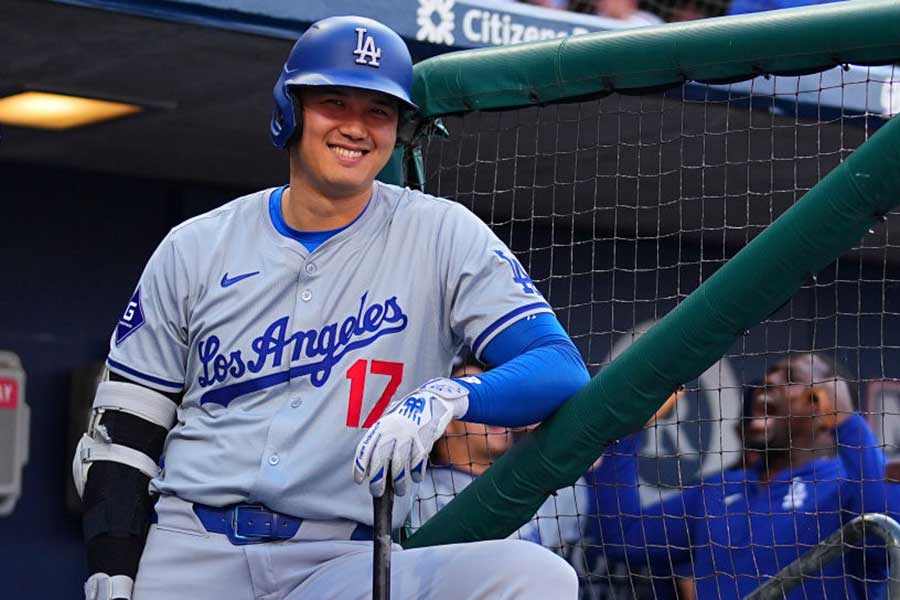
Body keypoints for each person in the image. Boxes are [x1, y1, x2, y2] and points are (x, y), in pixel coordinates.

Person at [71, 15, 591, 600]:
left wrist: (448, 398)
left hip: (340, 561)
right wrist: (112, 567)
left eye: (379, 111)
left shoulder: (443, 233)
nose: (356, 126)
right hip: (191, 550)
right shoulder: (196, 245)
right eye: (333, 101)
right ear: (290, 111)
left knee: (536, 576)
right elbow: (123, 431)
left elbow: (558, 365)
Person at [586, 352, 887, 600]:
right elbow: (622, 537)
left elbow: (882, 545)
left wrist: (848, 422)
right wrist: (626, 432)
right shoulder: (720, 489)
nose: (768, 381)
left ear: (825, 406)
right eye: (771, 374)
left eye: (791, 379)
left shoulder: (848, 484)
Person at [411, 361, 588, 551]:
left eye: (496, 395)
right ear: (444, 421)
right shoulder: (417, 492)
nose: (493, 407)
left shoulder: (552, 483)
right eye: (475, 398)